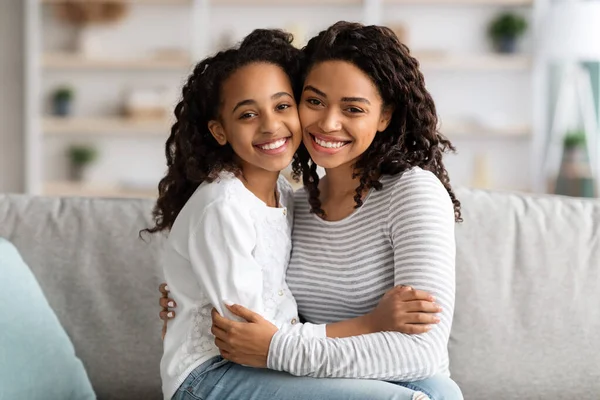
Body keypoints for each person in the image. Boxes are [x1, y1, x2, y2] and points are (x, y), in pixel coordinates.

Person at [156, 23, 463, 400]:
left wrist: (275, 348)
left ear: (384, 117)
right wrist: (190, 301)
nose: (328, 122)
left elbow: (422, 352)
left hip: (281, 366)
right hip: (238, 372)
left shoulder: (412, 193)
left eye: (352, 108)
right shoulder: (295, 204)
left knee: (438, 390)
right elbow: (246, 324)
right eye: (315, 101)